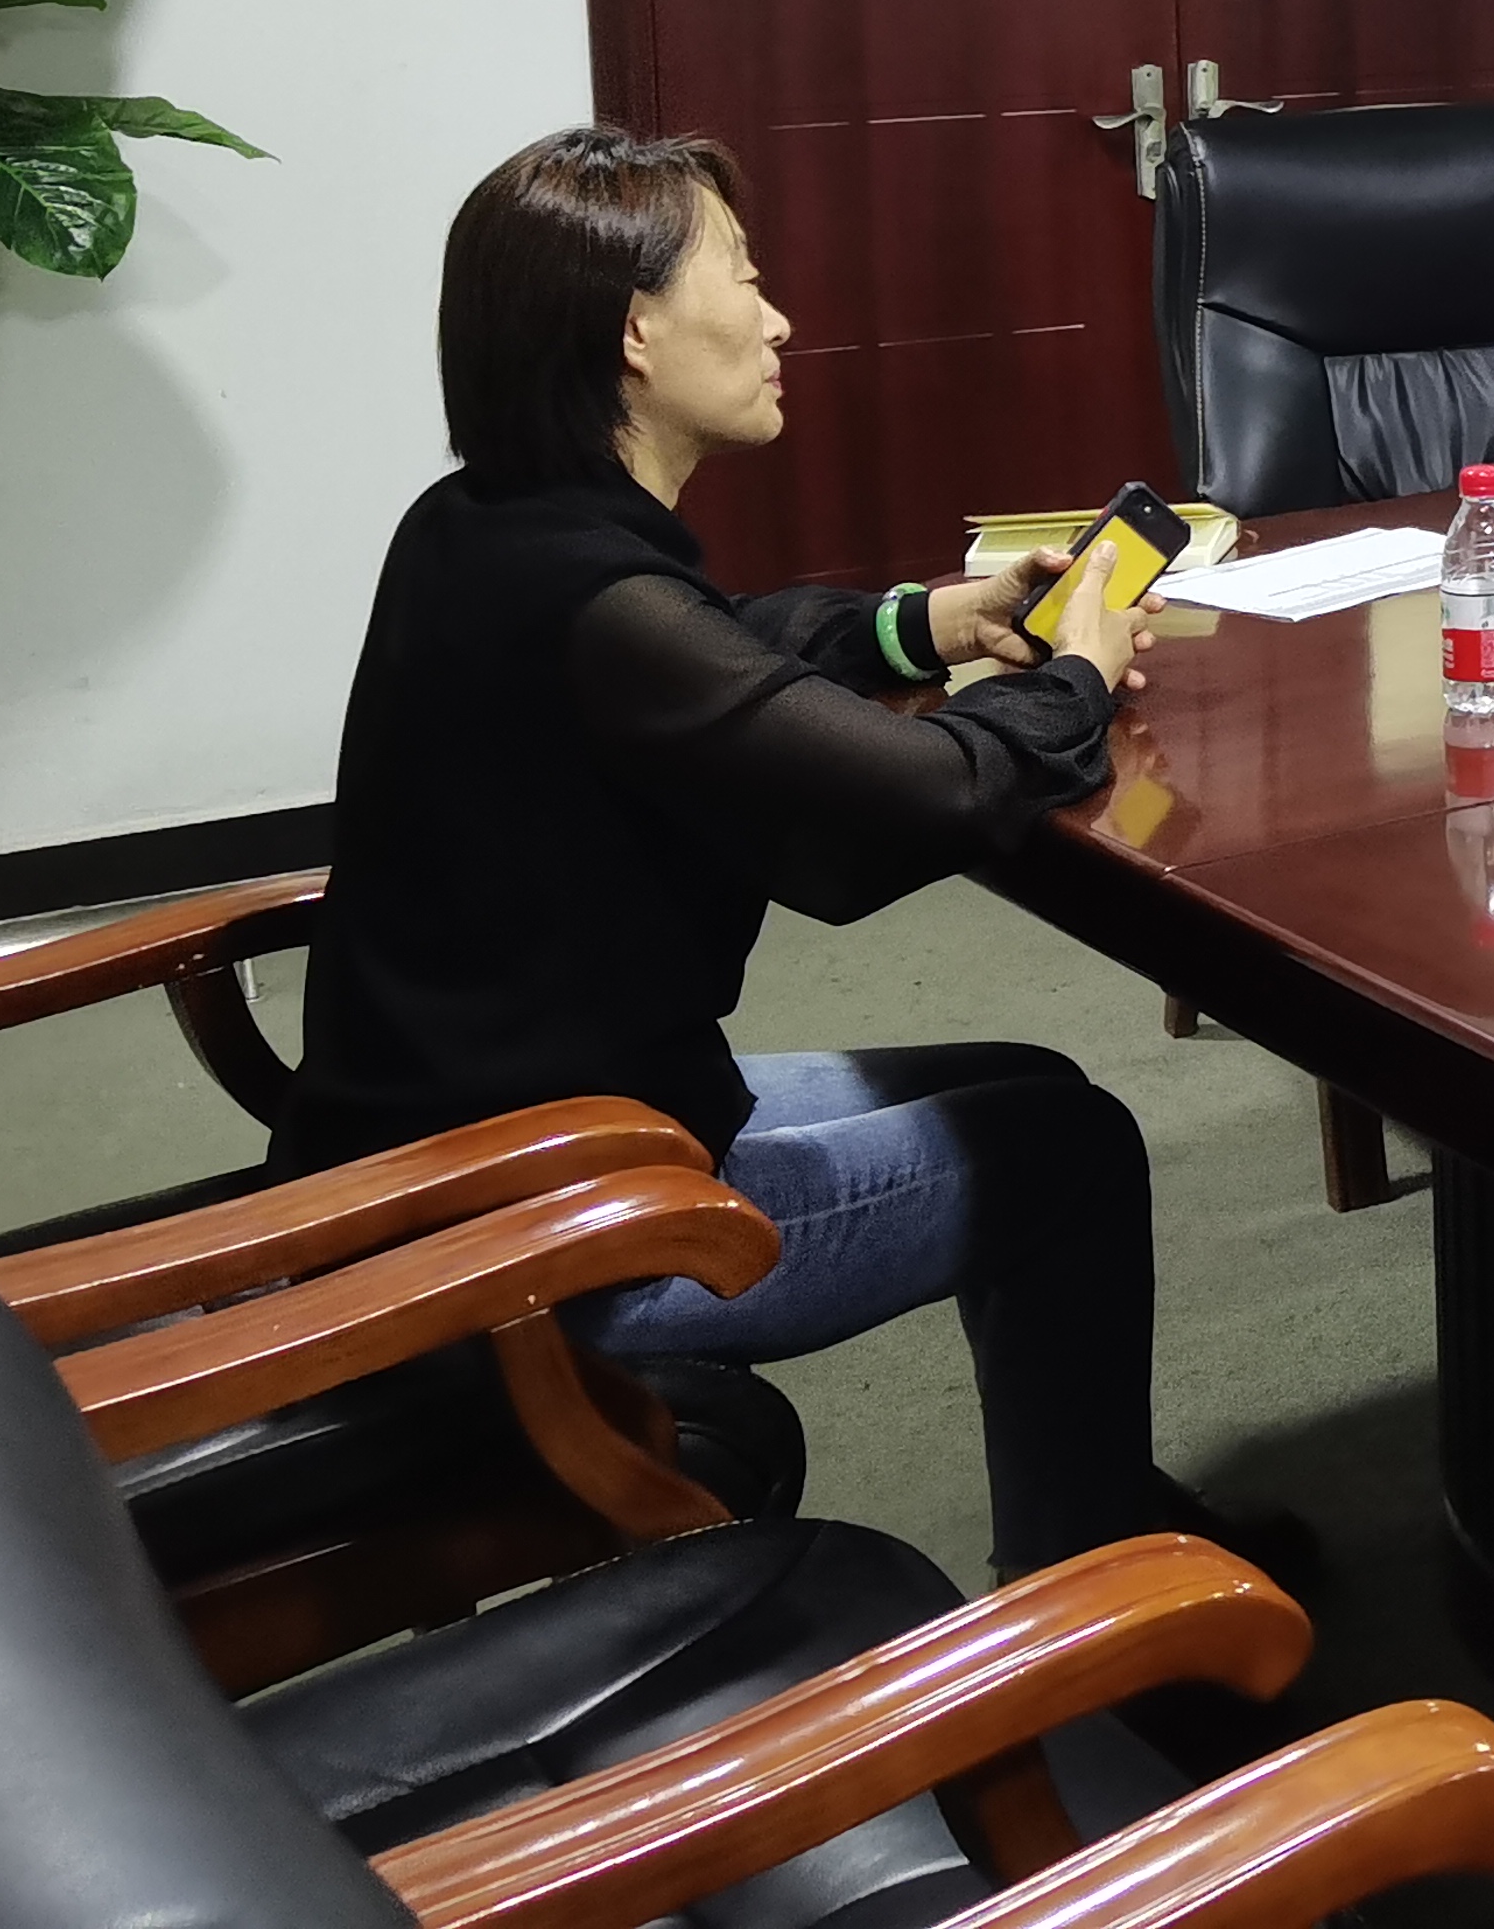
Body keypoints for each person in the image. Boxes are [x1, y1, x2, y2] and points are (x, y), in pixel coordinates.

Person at [278, 127, 1225, 1587]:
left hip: (471, 1142)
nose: (780, 321)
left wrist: (928, 622)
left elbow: (731, 651)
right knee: (1072, 1154)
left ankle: (1092, 1515)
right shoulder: (600, 603)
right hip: (544, 1230)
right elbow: (934, 790)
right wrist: (1081, 674)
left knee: (1030, 1079)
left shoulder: (484, 527)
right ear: (634, 332)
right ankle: (1097, 1580)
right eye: (745, 279)